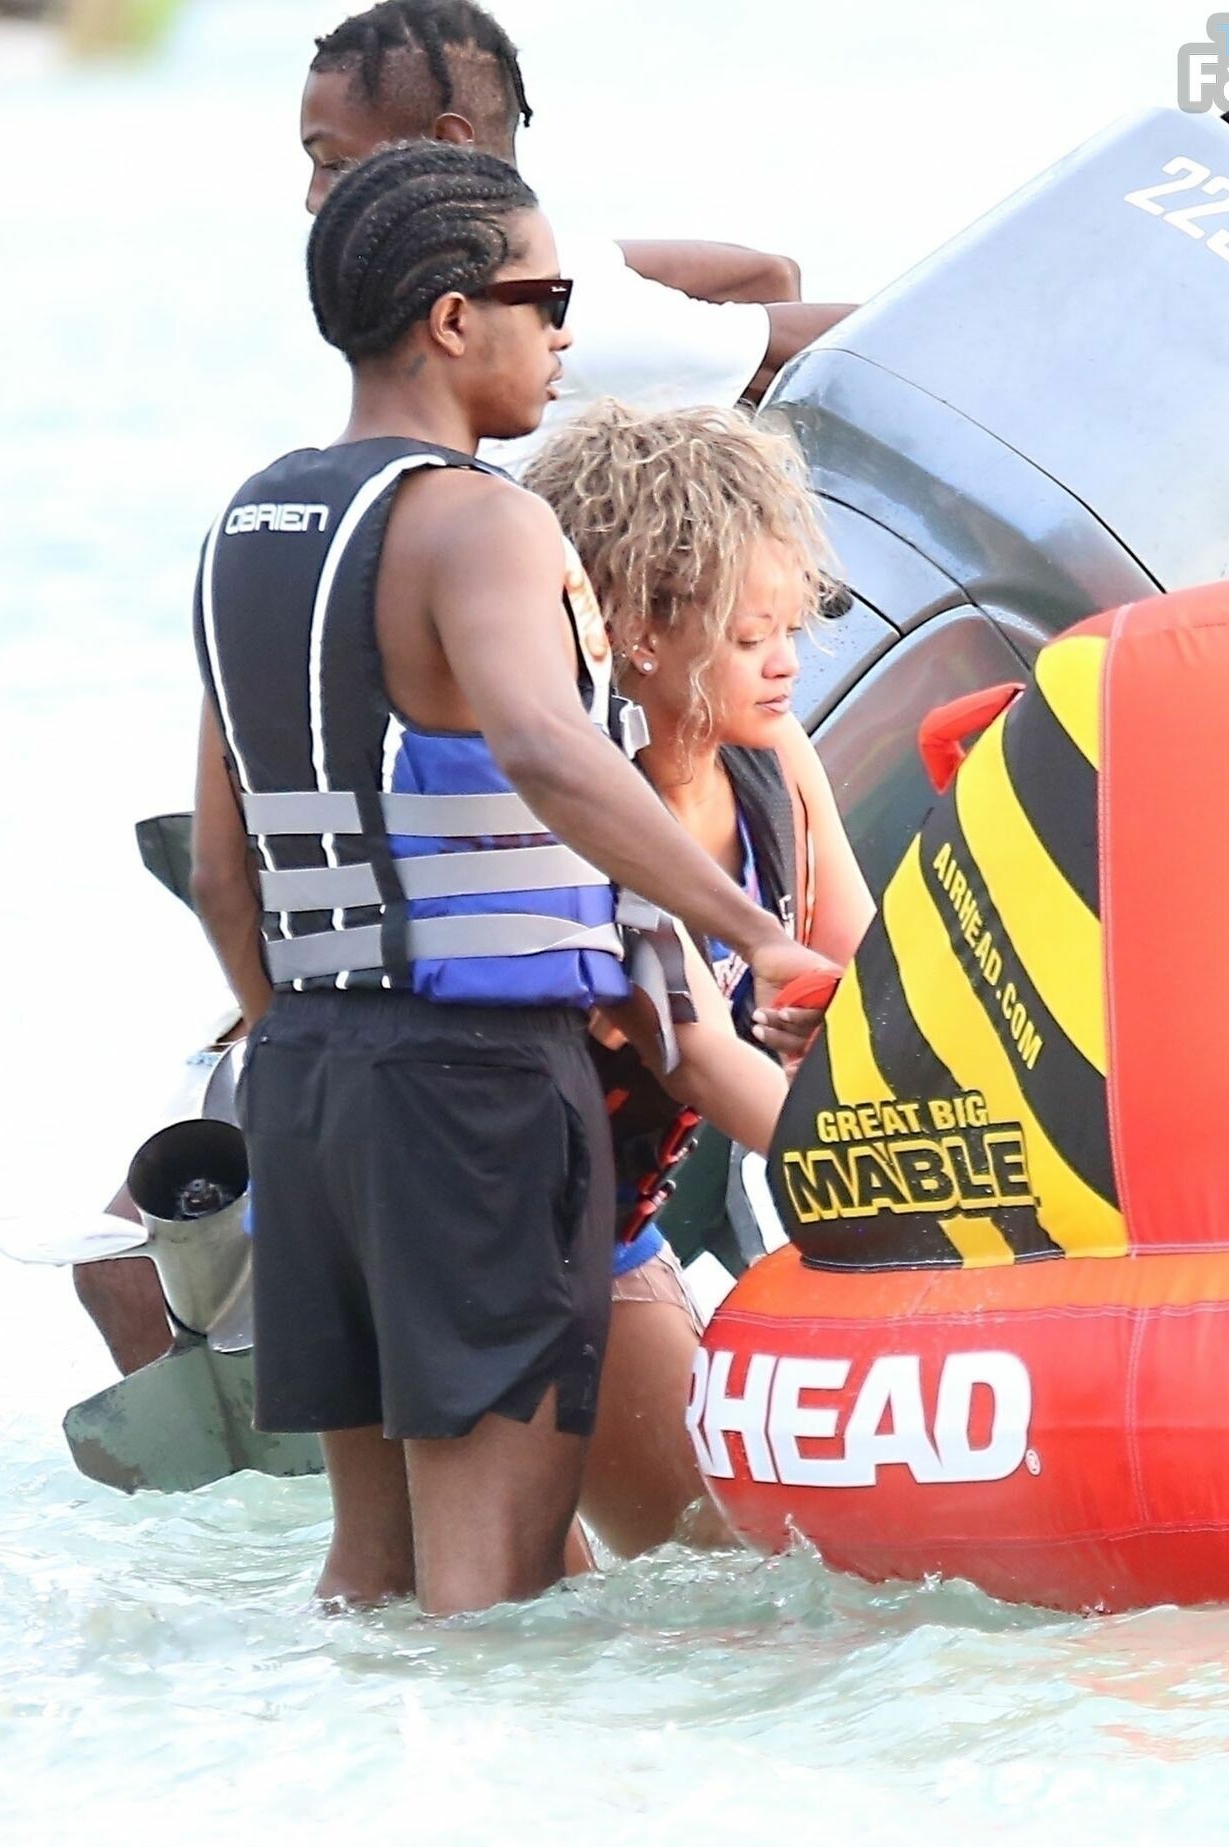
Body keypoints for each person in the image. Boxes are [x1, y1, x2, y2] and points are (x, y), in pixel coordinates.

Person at [189, 141, 833, 1615]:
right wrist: (750, 929)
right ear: (449, 318)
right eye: (545, 300)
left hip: (308, 1085)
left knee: (369, 1573)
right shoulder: (483, 520)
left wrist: (306, 1050)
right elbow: (547, 745)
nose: (565, 335)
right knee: (499, 1591)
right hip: (474, 1092)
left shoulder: (253, 528)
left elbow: (225, 869)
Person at [524, 400, 875, 1556]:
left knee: (722, 1566)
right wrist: (890, 1188)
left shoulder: (774, 761)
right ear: (637, 634)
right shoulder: (585, 815)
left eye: (791, 626)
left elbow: (871, 984)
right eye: (749, 636)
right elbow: (704, 1061)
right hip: (497, 1236)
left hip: (614, 1227)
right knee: (565, 1584)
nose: (787, 664)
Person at [300, 0, 854, 470]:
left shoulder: (556, 312)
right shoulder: (555, 278)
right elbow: (766, 275)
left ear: (446, 148)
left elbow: (819, 346)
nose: (313, 199)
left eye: (336, 165)